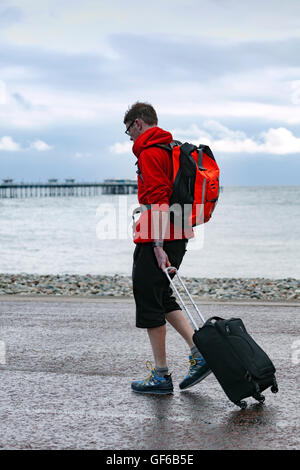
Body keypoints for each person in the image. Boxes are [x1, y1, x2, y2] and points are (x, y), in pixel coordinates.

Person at [124, 101, 211, 394]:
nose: (130, 138)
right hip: (179, 232)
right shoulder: (170, 147)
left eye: (129, 131)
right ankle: (199, 353)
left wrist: (158, 245)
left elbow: (160, 199)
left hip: (158, 237)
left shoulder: (150, 151)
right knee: (161, 296)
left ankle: (161, 375)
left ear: (138, 123)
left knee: (148, 299)